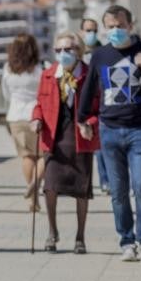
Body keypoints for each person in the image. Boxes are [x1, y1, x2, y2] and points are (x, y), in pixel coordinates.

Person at [76, 5, 141, 264]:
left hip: (140, 129)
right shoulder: (100, 55)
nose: (115, 30)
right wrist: (82, 119)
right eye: (110, 26)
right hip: (109, 130)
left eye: (120, 25)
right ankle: (127, 241)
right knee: (118, 191)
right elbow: (88, 89)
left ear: (130, 26)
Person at [31, 32, 98, 254]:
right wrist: (36, 118)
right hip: (54, 137)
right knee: (49, 187)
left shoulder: (89, 75)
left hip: (79, 137)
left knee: (81, 190)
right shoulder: (48, 75)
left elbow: (98, 108)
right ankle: (52, 231)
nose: (63, 54)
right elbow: (39, 103)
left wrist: (89, 122)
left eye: (68, 49)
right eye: (58, 50)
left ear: (78, 51)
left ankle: (80, 237)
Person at [3, 34, 43, 210]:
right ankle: (35, 182)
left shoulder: (8, 69)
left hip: (15, 116)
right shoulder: (38, 69)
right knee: (44, 155)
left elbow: (5, 94)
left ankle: (32, 197)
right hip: (36, 116)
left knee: (27, 156)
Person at [80, 17, 109, 194]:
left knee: (100, 146)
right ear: (81, 31)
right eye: (88, 30)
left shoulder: (102, 51)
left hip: (98, 101)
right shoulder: (75, 51)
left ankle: (105, 180)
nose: (91, 34)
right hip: (80, 102)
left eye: (94, 30)